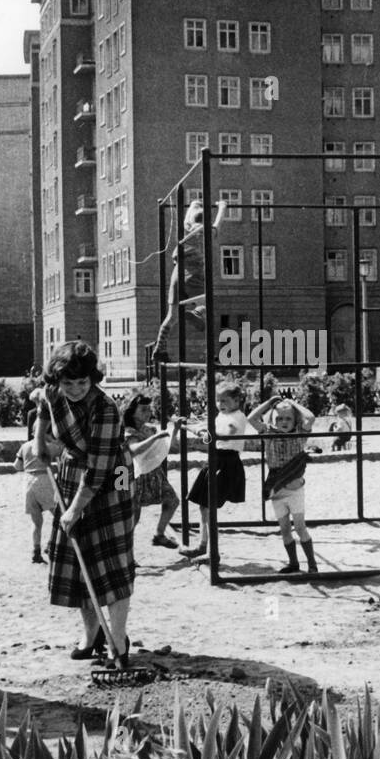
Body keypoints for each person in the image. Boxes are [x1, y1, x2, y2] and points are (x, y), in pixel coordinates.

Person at [33, 340, 135, 664]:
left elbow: (99, 469)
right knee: (79, 560)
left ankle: (117, 641)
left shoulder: (105, 408)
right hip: (72, 466)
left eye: (82, 382)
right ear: (57, 381)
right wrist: (39, 440)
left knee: (112, 559)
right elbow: (40, 408)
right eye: (68, 383)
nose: (75, 389)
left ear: (92, 378)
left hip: (114, 470)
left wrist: (75, 509)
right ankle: (91, 634)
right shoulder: (51, 391)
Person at [248, 390, 321, 574]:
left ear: (294, 420)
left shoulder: (299, 434)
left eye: (288, 418)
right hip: (277, 490)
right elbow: (251, 418)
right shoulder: (268, 432)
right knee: (285, 529)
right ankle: (293, 563)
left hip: (295, 490)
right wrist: (270, 403)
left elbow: (310, 418)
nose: (284, 422)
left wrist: (293, 403)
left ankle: (312, 564)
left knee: (300, 527)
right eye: (279, 419)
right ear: (274, 420)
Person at [152, 198, 227, 363]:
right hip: (194, 273)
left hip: (177, 274)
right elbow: (218, 222)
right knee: (205, 303)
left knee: (171, 316)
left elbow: (187, 218)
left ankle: (159, 350)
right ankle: (195, 314)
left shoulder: (186, 231)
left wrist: (195, 204)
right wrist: (222, 206)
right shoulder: (208, 231)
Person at [178, 382, 247, 562]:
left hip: (227, 462)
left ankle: (213, 552)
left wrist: (208, 432)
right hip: (215, 458)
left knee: (210, 508)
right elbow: (212, 432)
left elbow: (228, 433)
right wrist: (193, 427)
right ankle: (203, 545)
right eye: (218, 400)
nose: (220, 404)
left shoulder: (237, 416)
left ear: (237, 400)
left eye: (224, 400)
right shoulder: (221, 415)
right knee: (204, 506)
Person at [122, 391, 182, 548]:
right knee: (132, 519)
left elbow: (174, 448)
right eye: (143, 410)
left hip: (155, 474)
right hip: (134, 476)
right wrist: (155, 438)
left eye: (148, 409)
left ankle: (159, 534)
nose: (147, 413)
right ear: (132, 412)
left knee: (172, 500)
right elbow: (134, 449)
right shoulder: (129, 431)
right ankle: (127, 555)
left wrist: (175, 430)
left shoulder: (149, 429)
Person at [13, 432, 61, 564]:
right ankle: (51, 543)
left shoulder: (25, 446)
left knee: (36, 522)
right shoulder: (50, 447)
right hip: (44, 479)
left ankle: (36, 551)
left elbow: (17, 466)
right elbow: (63, 452)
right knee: (58, 515)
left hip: (28, 482)